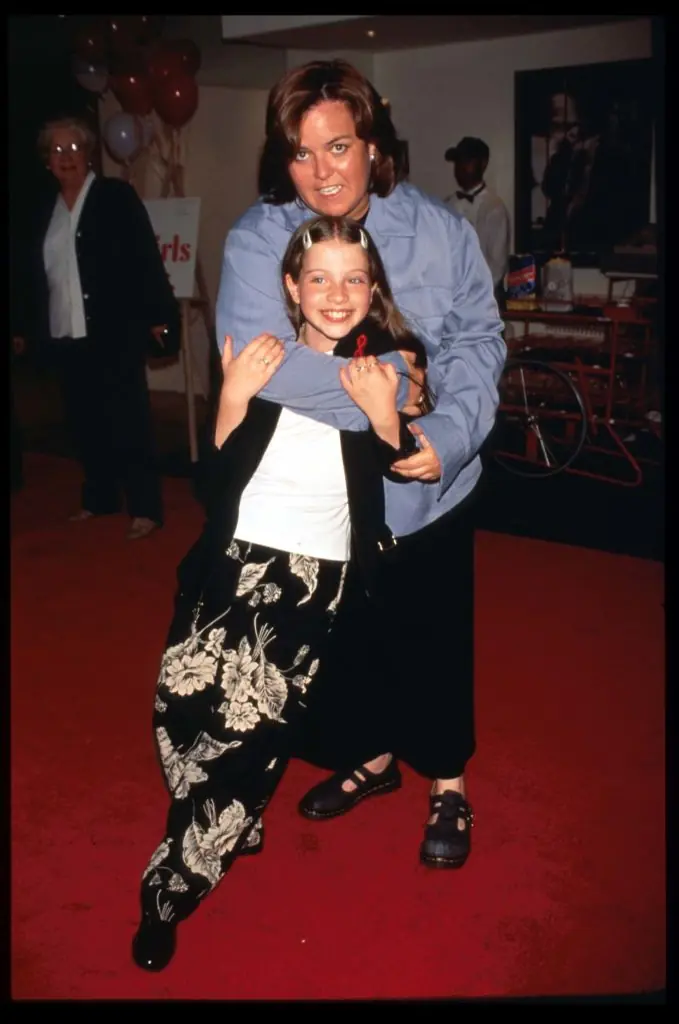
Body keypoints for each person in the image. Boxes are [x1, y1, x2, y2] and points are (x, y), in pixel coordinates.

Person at [214, 59, 506, 875]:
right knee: (346, 645)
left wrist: (440, 436)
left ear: (371, 144)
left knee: (433, 637)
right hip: (320, 499)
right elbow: (268, 367)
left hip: (430, 487)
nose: (322, 172)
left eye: (338, 146)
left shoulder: (440, 233)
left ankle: (447, 781)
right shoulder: (257, 239)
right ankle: (374, 759)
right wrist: (391, 399)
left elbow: (479, 343)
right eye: (302, 154)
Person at [132, 214, 433, 971]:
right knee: (178, 705)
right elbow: (214, 482)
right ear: (292, 287)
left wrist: (381, 418)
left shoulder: (387, 367)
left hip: (311, 576)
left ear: (373, 290)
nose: (337, 294)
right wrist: (233, 395)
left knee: (246, 726)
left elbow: (400, 470)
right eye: (320, 278)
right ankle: (235, 808)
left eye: (354, 279)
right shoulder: (266, 355)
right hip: (231, 561)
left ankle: (171, 887)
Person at [11, 116, 180, 540]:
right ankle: (100, 498)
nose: (66, 157)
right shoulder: (41, 209)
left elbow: (144, 255)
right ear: (46, 161)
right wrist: (21, 325)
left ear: (89, 155)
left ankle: (145, 509)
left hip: (114, 330)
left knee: (129, 420)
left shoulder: (114, 197)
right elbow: (30, 275)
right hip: (64, 331)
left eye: (74, 149)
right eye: (56, 150)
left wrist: (160, 315)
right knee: (85, 422)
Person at [444, 136, 511, 304]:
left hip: (482, 302)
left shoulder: (494, 208)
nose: (460, 168)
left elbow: (497, 265)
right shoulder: (446, 205)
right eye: (457, 162)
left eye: (466, 161)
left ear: (483, 164)